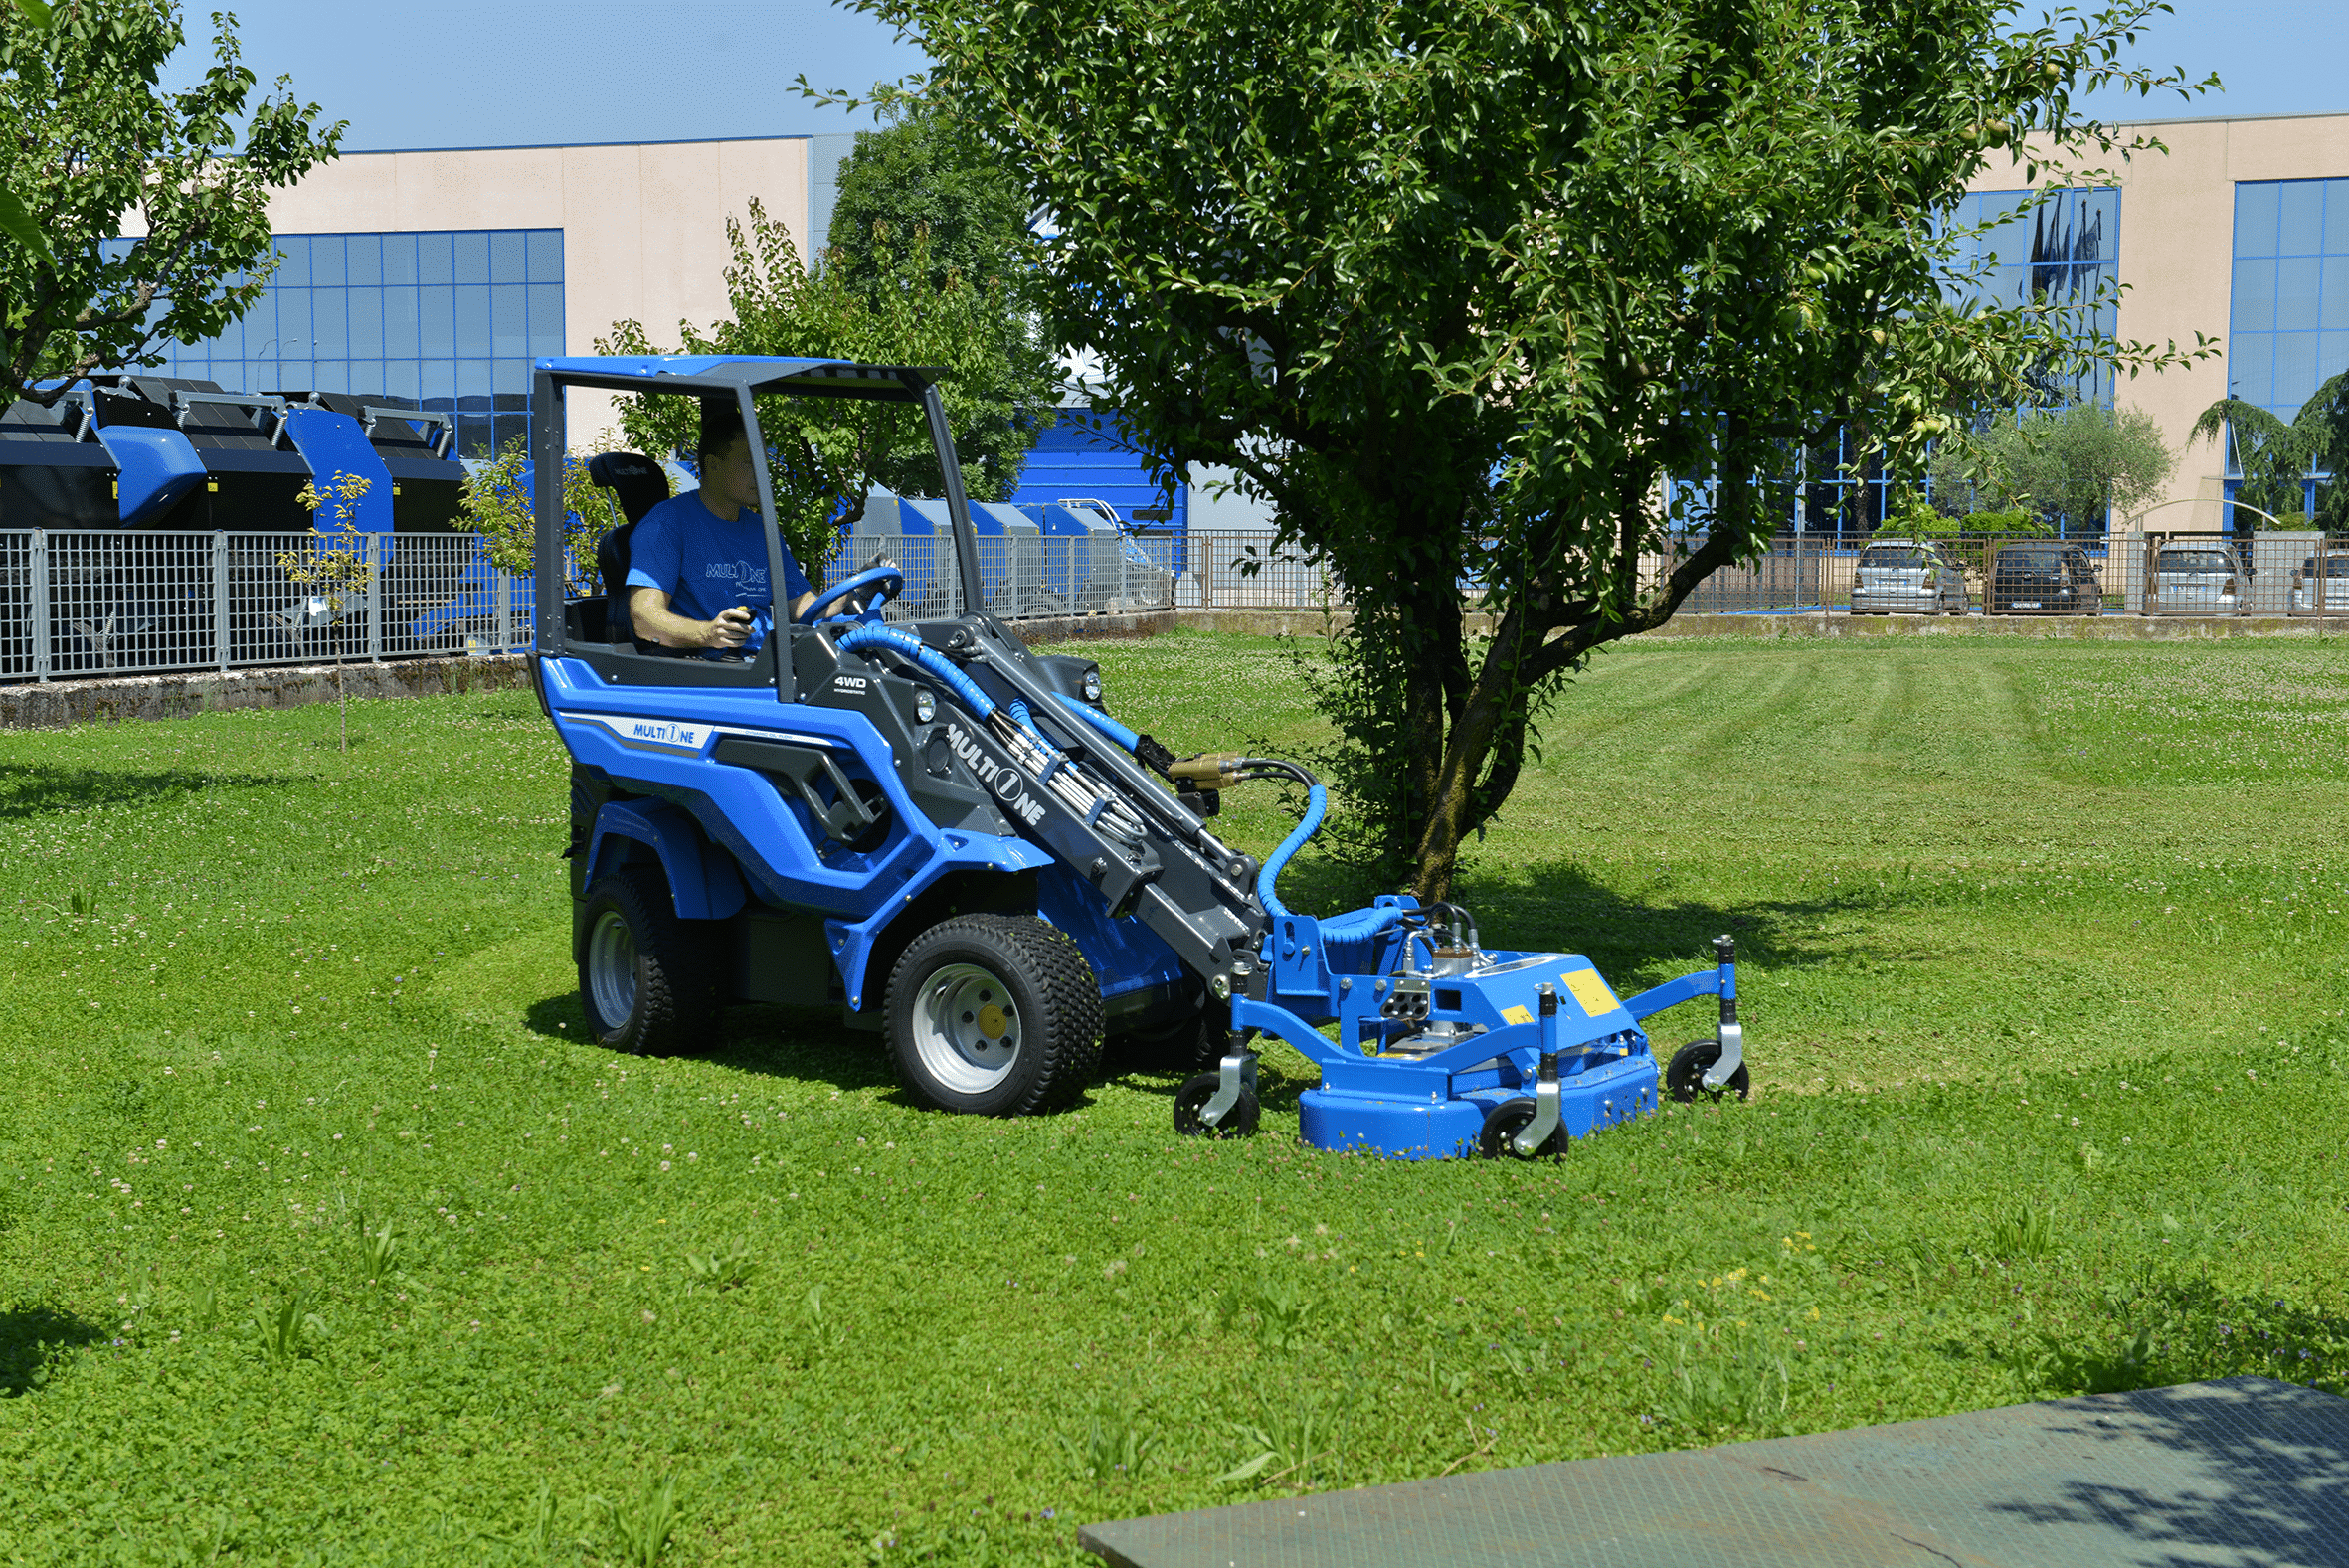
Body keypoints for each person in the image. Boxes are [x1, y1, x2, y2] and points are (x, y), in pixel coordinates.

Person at [625, 404, 816, 652]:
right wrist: (707, 633)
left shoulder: (762, 529)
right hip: (708, 674)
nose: (762, 473)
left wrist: (858, 593)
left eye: (764, 462)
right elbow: (645, 619)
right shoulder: (666, 524)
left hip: (766, 666)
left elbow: (803, 607)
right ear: (713, 465)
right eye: (749, 463)